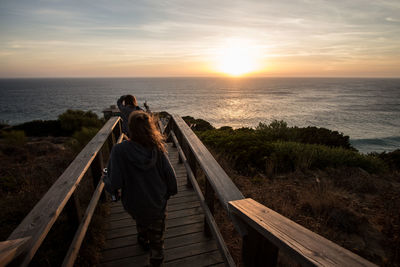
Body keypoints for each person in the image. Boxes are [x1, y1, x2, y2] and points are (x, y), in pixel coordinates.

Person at [103, 111, 177, 267]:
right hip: (157, 201)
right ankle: (155, 258)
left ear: (129, 128)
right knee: (157, 241)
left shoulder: (119, 150)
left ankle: (143, 238)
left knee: (141, 217)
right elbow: (170, 176)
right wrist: (169, 193)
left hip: (133, 202)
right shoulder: (157, 147)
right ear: (150, 127)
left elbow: (115, 182)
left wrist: (106, 180)